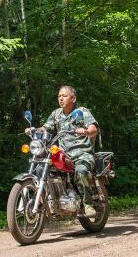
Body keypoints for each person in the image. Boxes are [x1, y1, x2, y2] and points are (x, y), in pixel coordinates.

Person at [40, 85, 99, 218]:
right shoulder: (56, 114)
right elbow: (45, 128)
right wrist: (35, 130)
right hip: (64, 154)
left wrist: (86, 131)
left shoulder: (82, 111)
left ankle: (88, 203)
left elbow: (94, 129)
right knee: (42, 166)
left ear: (73, 98)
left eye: (64, 96)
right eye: (59, 96)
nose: (61, 98)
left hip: (82, 153)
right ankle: (49, 201)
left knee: (81, 170)